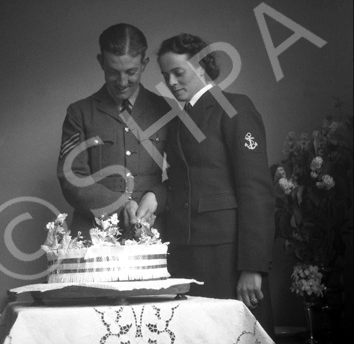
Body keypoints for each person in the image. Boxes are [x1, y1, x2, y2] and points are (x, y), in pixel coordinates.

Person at [136, 33, 276, 337]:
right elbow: (177, 181)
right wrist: (153, 196)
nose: (171, 82)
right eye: (165, 75)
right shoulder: (179, 121)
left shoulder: (234, 108)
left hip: (226, 255)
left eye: (178, 72)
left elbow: (256, 190)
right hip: (185, 252)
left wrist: (253, 266)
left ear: (201, 67)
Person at [57, 23, 170, 237]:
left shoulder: (165, 110)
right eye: (113, 72)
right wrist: (119, 206)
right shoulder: (79, 113)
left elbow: (184, 174)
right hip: (94, 236)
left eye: (131, 72)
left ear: (144, 64)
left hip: (152, 234)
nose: (122, 82)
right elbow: (71, 176)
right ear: (101, 62)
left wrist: (157, 197)